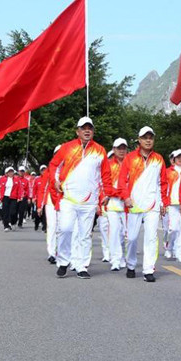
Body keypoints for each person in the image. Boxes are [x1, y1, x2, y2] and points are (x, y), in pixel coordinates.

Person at [50, 117, 111, 280]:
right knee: (65, 229)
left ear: (93, 131)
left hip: (89, 201)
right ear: (77, 131)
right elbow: (54, 165)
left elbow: (105, 174)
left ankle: (81, 265)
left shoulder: (100, 151)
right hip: (68, 198)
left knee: (84, 235)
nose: (86, 131)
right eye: (83, 128)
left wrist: (106, 194)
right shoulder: (67, 148)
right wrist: (55, 181)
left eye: (89, 128)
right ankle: (63, 261)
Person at [118, 126, 168, 282]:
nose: (148, 140)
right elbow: (122, 181)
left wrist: (163, 202)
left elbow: (163, 182)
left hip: (152, 204)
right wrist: (126, 197)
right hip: (134, 204)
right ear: (139, 140)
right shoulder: (130, 158)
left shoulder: (158, 159)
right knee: (132, 238)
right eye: (145, 137)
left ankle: (148, 270)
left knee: (151, 237)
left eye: (150, 137)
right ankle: (131, 265)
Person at [100, 139, 128, 271]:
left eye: (124, 148)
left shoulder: (131, 165)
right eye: (119, 148)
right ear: (114, 149)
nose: (121, 150)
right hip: (113, 203)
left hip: (128, 204)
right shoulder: (109, 166)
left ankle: (123, 257)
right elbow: (105, 185)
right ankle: (116, 260)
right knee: (115, 232)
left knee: (125, 233)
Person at [164, 149, 181, 262]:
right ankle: (169, 247)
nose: (180, 159)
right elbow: (164, 188)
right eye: (178, 157)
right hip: (172, 204)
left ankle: (179, 252)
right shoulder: (168, 171)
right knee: (173, 229)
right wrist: (163, 203)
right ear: (174, 159)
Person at [0, 167, 23, 231]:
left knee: (13, 212)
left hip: (13, 198)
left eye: (12, 171)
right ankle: (6, 226)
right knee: (5, 212)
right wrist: (0, 197)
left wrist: (20, 197)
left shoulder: (17, 180)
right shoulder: (2, 179)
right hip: (5, 197)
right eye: (9, 172)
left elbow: (20, 189)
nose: (11, 173)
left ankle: (13, 222)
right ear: (7, 173)